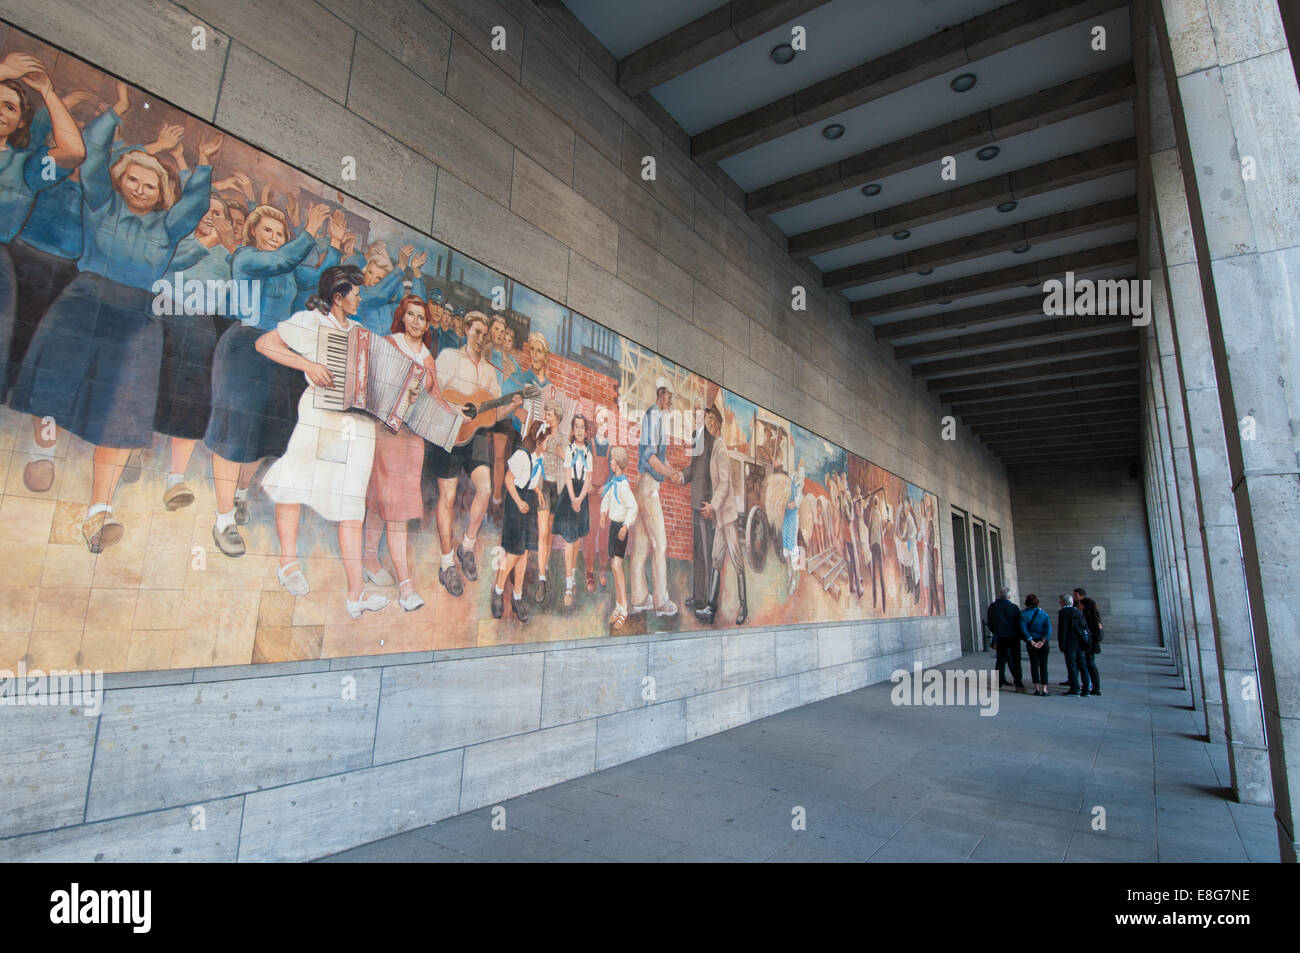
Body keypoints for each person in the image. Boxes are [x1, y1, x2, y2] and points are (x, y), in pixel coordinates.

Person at [12, 82, 215, 552]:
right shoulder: (100, 202)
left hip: (139, 318)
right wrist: (117, 113)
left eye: (150, 184)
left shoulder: (167, 227)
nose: (141, 189)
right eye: (134, 181)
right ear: (120, 182)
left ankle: (98, 511)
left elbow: (194, 206)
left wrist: (203, 163)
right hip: (85, 301)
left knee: (126, 409)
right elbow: (94, 155)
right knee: (53, 379)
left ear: (161, 191)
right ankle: (43, 449)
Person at [203, 199, 340, 557]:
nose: (275, 237)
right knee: (234, 433)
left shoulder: (287, 268)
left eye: (280, 233)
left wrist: (336, 243)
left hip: (278, 354)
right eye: (268, 230)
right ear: (252, 232)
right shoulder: (247, 258)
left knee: (263, 435)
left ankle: (240, 494)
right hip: (244, 349)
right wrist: (310, 230)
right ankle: (222, 521)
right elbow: (281, 260)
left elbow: (318, 283)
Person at [256, 265, 388, 619]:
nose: (360, 298)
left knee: (351, 504)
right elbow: (264, 343)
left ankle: (356, 595)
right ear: (338, 298)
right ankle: (288, 564)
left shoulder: (361, 333)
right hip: (318, 415)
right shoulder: (311, 322)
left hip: (357, 426)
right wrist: (307, 365)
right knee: (293, 483)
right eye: (355, 293)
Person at [361, 295, 455, 612]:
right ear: (402, 317)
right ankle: (406, 587)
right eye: (411, 315)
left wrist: (456, 417)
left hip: (413, 440)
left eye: (422, 318)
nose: (416, 322)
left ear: (428, 324)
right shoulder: (389, 344)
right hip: (387, 433)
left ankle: (369, 558)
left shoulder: (428, 358)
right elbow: (371, 380)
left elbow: (437, 397)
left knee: (381, 503)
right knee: (393, 508)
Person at [430, 310, 521, 596]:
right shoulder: (448, 357)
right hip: (448, 432)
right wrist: (454, 410)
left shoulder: (490, 371)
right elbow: (433, 390)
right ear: (467, 330)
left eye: (485, 334)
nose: (481, 338)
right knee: (448, 498)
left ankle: (466, 546)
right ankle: (446, 565)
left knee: (485, 488)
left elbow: (490, 414)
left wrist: (511, 405)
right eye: (477, 332)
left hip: (475, 436)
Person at [630, 378, 682, 617]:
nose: (671, 400)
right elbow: (651, 458)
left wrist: (672, 471)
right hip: (649, 489)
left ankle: (639, 597)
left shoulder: (656, 418)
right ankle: (661, 601)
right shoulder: (653, 417)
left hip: (645, 487)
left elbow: (658, 458)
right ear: (662, 394)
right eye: (670, 396)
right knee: (660, 544)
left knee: (641, 546)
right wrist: (670, 473)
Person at [493, 419, 549, 624]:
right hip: (516, 504)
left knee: (524, 553)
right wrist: (519, 502)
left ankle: (517, 596)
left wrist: (538, 491)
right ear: (539, 439)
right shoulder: (521, 455)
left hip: (529, 503)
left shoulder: (537, 457)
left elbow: (529, 479)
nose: (548, 444)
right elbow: (509, 480)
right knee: (514, 553)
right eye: (547, 440)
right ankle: (498, 591)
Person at [695, 406, 747, 626]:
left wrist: (713, 506)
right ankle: (710, 607)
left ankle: (744, 606)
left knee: (736, 560)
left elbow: (725, 483)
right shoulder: (716, 446)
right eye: (706, 420)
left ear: (718, 422)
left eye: (711, 420)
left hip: (727, 517)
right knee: (717, 559)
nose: (708, 423)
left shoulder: (722, 448)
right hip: (720, 519)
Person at [556, 413, 593, 609]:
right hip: (570, 496)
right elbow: (568, 476)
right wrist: (573, 499)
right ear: (573, 430)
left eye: (582, 427)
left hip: (582, 496)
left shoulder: (588, 453)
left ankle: (573, 578)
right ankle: (568, 584)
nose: (579, 430)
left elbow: (588, 480)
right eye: (576, 427)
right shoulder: (569, 450)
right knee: (568, 540)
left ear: (586, 432)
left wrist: (580, 499)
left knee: (577, 539)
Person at [680, 401, 715, 611]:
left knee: (706, 551)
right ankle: (697, 596)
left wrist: (711, 502)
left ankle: (708, 601)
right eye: (696, 414)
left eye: (701, 414)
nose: (698, 417)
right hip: (695, 502)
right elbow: (693, 468)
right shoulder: (695, 437)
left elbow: (713, 474)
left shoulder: (712, 441)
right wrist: (681, 477)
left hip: (704, 504)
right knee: (697, 552)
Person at [599, 445, 637, 630]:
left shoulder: (623, 486)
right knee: (614, 569)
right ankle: (618, 605)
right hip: (613, 527)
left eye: (613, 460)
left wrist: (626, 526)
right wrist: (603, 512)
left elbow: (634, 507)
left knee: (616, 566)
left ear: (619, 463)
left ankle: (624, 611)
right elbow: (607, 498)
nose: (610, 462)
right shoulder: (614, 481)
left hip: (621, 528)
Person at [987, 586, 1026, 692]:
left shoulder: (993, 607)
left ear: (999, 595)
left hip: (1000, 637)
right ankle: (1018, 683)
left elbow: (990, 623)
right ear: (1008, 596)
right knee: (1015, 661)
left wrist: (997, 631)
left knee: (1000, 660)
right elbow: (1019, 624)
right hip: (1013, 637)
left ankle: (998, 683)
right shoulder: (1014, 608)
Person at [1057, 593, 1093, 696]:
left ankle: (1075, 688)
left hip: (1070, 643)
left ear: (1063, 602)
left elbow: (1062, 629)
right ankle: (1086, 689)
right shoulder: (1077, 611)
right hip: (1080, 642)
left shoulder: (1064, 612)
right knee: (1082, 665)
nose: (1059, 603)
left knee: (1072, 666)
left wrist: (1062, 644)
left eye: (1060, 601)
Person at [782, 458, 805, 597]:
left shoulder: (798, 479)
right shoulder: (788, 477)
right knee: (785, 544)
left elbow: (799, 496)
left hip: (793, 515)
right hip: (786, 515)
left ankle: (795, 580)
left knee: (792, 545)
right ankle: (789, 573)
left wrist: (794, 504)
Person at [1073, 587, 1103, 696]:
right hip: (1089, 643)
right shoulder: (1093, 617)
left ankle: (1093, 686)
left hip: (1089, 644)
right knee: (1088, 664)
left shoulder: (1089, 618)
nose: (1078, 606)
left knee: (1089, 664)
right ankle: (1091, 685)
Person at [1022, 594, 1052, 696]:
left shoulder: (1023, 614)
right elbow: (1048, 629)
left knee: (1034, 665)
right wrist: (1042, 641)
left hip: (1031, 641)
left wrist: (1031, 640)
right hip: (1042, 642)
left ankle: (1037, 688)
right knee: (1044, 665)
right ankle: (1044, 689)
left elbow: (1023, 629)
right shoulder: (1043, 614)